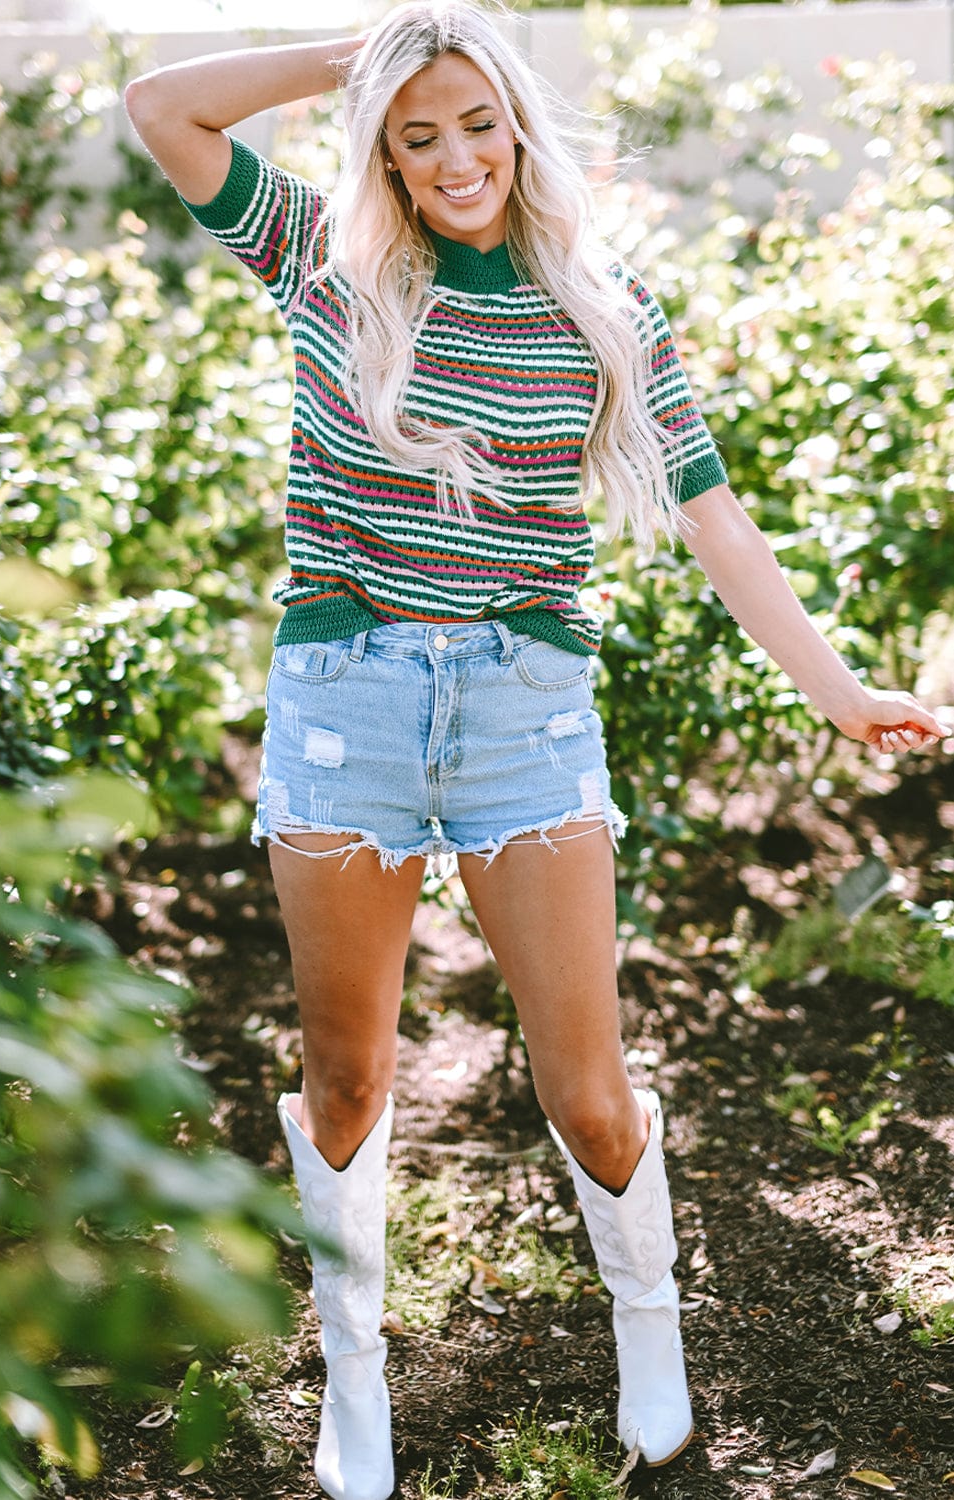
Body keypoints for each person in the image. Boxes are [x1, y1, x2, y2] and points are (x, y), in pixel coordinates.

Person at [125, 6, 949, 1497]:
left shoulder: (603, 305)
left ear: (516, 124)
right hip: (346, 707)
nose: (455, 160)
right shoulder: (325, 265)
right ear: (385, 149)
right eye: (418, 134)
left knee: (588, 1089)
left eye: (478, 124)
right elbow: (162, 105)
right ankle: (355, 1373)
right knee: (347, 1081)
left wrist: (836, 692)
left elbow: (713, 517)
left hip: (525, 710)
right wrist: (371, 49)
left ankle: (650, 1328)